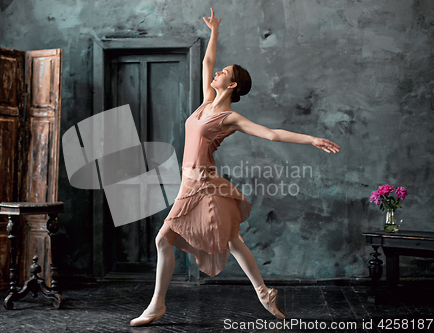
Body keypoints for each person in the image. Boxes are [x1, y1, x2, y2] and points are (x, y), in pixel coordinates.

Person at [130, 7, 340, 327]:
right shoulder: (204, 103)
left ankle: (157, 305)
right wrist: (215, 31)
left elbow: (271, 134)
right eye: (219, 70)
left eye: (223, 73)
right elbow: (206, 62)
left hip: (204, 182)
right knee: (231, 240)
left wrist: (311, 139)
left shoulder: (229, 118)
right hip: (195, 183)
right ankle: (264, 292)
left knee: (165, 239)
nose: (216, 74)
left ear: (232, 86)